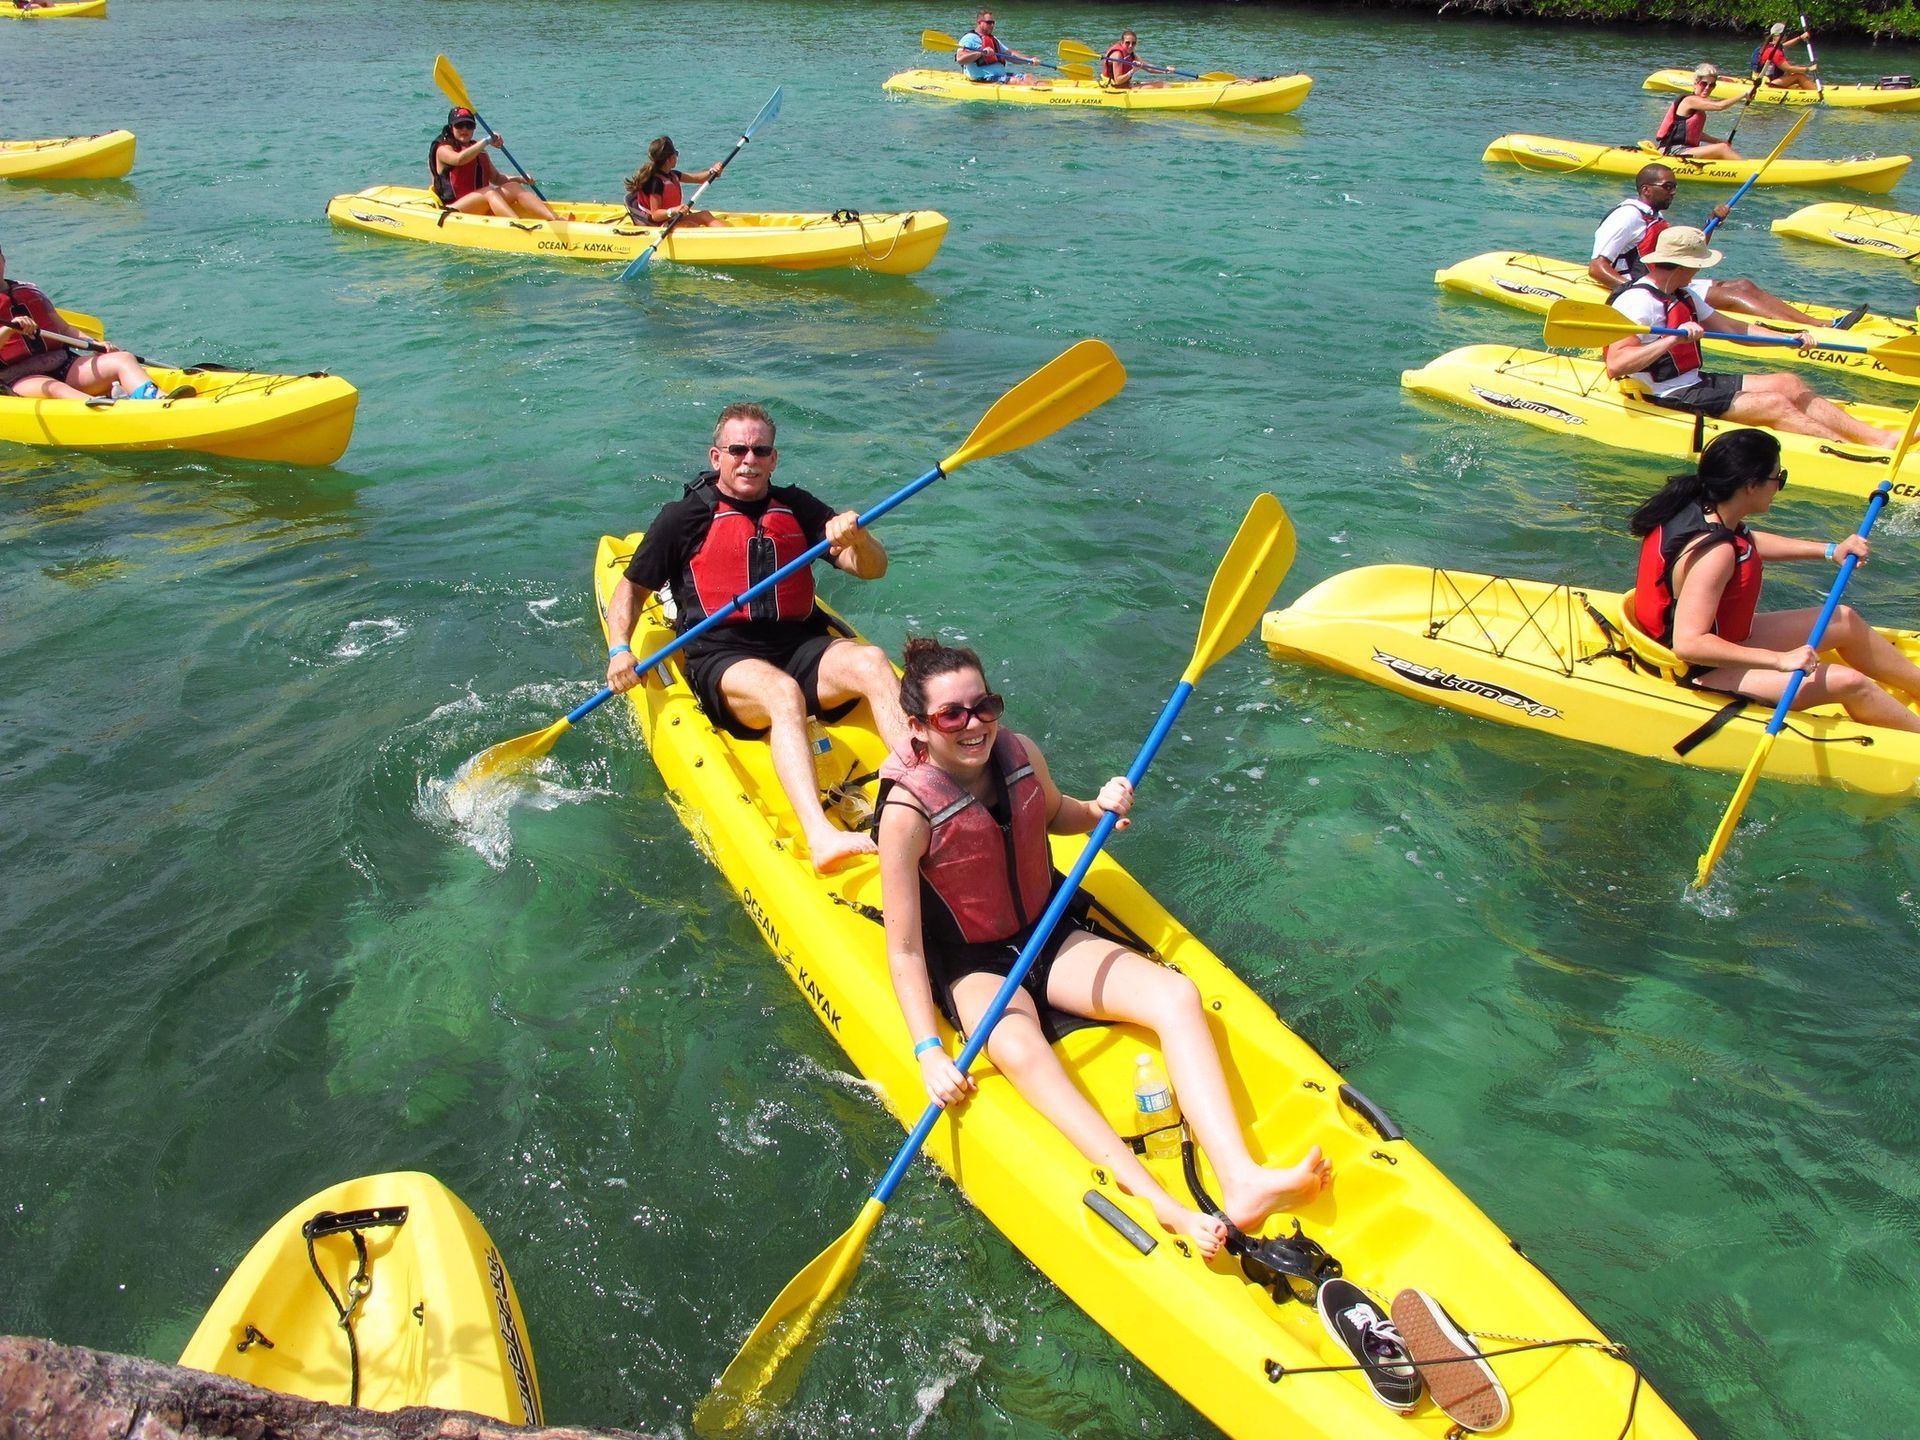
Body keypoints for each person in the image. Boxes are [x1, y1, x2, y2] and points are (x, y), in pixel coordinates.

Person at [875, 636, 1333, 1258]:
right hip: (973, 960)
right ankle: (1159, 1202)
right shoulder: (905, 813)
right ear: (918, 727)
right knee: (1018, 1047)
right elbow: (903, 949)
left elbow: (1056, 812)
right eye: (951, 714)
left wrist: (1099, 808)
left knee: (1175, 996)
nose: (974, 724)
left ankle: (1242, 1178)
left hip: (1048, 931)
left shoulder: (1019, 752)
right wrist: (928, 1050)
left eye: (985, 706)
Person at [605, 404, 910, 873]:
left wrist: (860, 539)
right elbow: (632, 588)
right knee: (781, 693)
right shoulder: (683, 518)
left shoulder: (800, 508)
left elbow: (871, 570)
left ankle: (924, 785)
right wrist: (620, 649)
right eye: (737, 449)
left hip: (801, 644)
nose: (748, 459)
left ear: (774, 458)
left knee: (871, 660)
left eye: (760, 450)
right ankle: (821, 834)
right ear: (716, 456)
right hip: (723, 657)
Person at [1630, 428, 1920, 733]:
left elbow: (1746, 541)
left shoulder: (1700, 506)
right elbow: (1689, 644)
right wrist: (1779, 660)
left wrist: (1830, 550)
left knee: (1843, 620)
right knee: (1850, 682)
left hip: (1721, 642)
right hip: (1699, 668)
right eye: (1777, 478)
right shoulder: (1714, 555)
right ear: (1751, 486)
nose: (1779, 486)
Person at [1604, 226, 1901, 448]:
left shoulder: (1684, 294)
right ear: (1682, 264)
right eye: (1697, 264)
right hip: (1662, 393)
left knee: (1788, 383)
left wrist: (1790, 338)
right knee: (1774, 403)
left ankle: (1879, 439)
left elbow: (1736, 330)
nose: (1699, 270)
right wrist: (1671, 340)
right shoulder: (1637, 303)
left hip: (1692, 382)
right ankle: (1852, 453)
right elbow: (1617, 364)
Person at [1588, 163, 1841, 329]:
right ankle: (1806, 330)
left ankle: (1815, 322)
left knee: (1744, 285)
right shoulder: (1627, 216)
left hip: (1666, 279)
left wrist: (1712, 223)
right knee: (1733, 296)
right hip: (1650, 285)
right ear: (1646, 189)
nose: (1673, 192)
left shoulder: (1656, 217)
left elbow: (1686, 256)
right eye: (1667, 187)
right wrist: (1638, 290)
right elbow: (1597, 267)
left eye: (1675, 186)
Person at [0, 242, 161, 403]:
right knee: (55, 388)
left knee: (123, 359)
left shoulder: (28, 290)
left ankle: (160, 401)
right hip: (17, 377)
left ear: (3, 259)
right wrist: (8, 329)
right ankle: (110, 412)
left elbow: (64, 328)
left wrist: (94, 343)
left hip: (62, 363)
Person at [429, 106, 557, 221]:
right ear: (451, 128)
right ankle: (518, 226)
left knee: (513, 186)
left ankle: (555, 219)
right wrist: (486, 140)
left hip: (480, 203)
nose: (464, 129)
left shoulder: (477, 149)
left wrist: (521, 179)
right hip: (453, 209)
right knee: (489, 192)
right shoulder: (443, 149)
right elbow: (459, 159)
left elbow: (496, 178)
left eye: (469, 125)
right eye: (459, 125)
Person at [1651, 64, 1745, 160]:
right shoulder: (1690, 101)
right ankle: (1748, 170)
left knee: (1721, 147)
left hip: (1687, 149)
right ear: (1696, 83)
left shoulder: (1699, 104)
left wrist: (1717, 141)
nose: (1707, 88)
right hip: (1673, 150)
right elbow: (1720, 106)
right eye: (1704, 84)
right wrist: (1744, 95)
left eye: (1712, 85)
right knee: (1723, 148)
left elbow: (1694, 133)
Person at [624, 137, 722, 228]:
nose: (677, 156)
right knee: (689, 225)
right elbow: (655, 215)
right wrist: (674, 210)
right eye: (676, 153)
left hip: (672, 219)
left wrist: (712, 171)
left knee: (705, 215)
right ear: (669, 160)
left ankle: (730, 236)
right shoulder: (655, 183)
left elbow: (698, 178)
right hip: (660, 225)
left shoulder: (672, 175)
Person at [954, 10, 1041, 85]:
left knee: (1029, 77)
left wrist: (1029, 60)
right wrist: (980, 52)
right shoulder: (969, 38)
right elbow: (960, 59)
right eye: (988, 22)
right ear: (979, 22)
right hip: (984, 79)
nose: (992, 25)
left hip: (1000, 77)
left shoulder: (993, 39)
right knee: (1016, 81)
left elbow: (1010, 54)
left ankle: (1047, 95)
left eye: (993, 22)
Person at [1754, 20, 1818, 92]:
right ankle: (1817, 92)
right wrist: (1808, 69)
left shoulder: (1769, 46)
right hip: (1768, 83)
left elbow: (1785, 45)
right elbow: (1788, 69)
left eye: (1786, 34)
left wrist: (1800, 38)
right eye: (1784, 34)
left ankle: (1812, 87)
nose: (1785, 36)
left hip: (1765, 79)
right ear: (1776, 35)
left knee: (1795, 71)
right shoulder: (1775, 52)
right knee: (1799, 76)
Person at [1100, 31, 1165, 89]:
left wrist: (1165, 70)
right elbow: (1118, 81)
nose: (1130, 45)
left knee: (1162, 84)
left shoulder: (1131, 54)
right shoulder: (1117, 55)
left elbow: (1148, 68)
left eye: (1133, 43)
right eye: (1127, 43)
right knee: (1163, 86)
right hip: (1114, 88)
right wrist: (1133, 71)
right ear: (1122, 42)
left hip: (1125, 85)